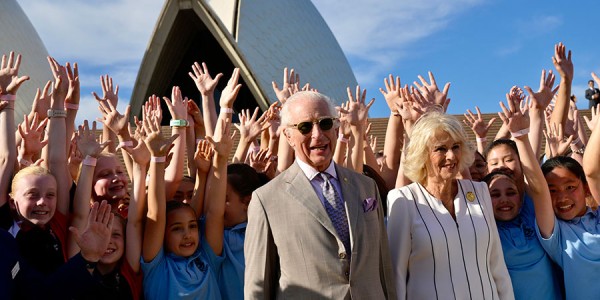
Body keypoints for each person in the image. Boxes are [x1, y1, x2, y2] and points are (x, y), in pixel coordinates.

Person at [244, 91, 395, 299]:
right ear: (288, 136)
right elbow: (258, 287)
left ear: (335, 127)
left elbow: (383, 267)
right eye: (305, 127)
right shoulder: (266, 200)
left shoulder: (366, 186)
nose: (317, 134)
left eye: (324, 123)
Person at [387, 110, 514, 300]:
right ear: (423, 154)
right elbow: (396, 276)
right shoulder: (404, 200)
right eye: (440, 149)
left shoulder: (479, 192)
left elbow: (497, 265)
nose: (451, 156)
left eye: (456, 147)